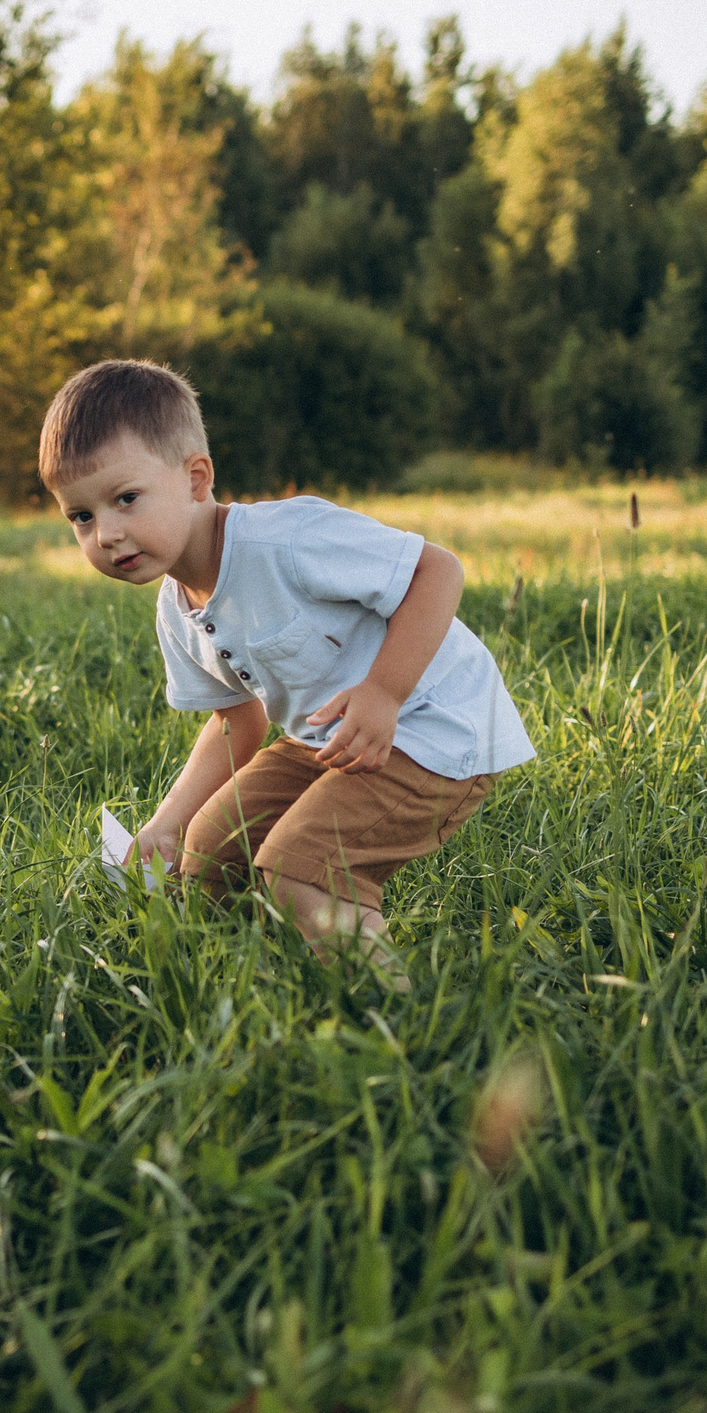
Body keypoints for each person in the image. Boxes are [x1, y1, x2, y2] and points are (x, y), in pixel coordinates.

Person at [40, 359, 532, 981]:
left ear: (195, 479)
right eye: (82, 516)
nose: (107, 533)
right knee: (208, 853)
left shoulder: (285, 540)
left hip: (434, 727)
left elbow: (437, 571)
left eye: (126, 499)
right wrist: (166, 822)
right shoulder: (176, 609)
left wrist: (383, 692)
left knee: (301, 867)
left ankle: (390, 1008)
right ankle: (251, 984)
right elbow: (236, 724)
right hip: (329, 741)